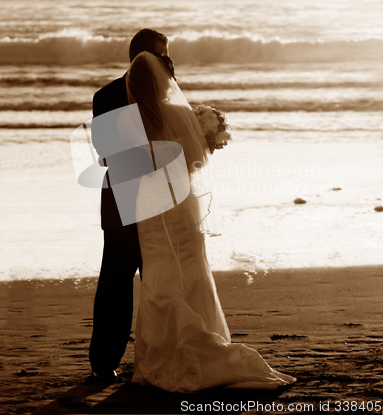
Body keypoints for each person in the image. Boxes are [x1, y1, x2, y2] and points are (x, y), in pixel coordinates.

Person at [119, 50, 296, 391]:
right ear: (163, 82)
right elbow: (195, 162)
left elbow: (118, 168)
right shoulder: (180, 113)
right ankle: (202, 340)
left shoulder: (122, 120)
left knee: (158, 272)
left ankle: (165, 350)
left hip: (148, 206)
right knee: (192, 268)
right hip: (180, 204)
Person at [89, 29, 170, 379]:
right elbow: (106, 154)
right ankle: (104, 363)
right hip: (125, 198)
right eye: (160, 56)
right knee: (116, 281)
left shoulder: (166, 96)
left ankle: (155, 360)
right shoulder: (107, 96)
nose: (166, 62)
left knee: (158, 282)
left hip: (156, 201)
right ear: (141, 57)